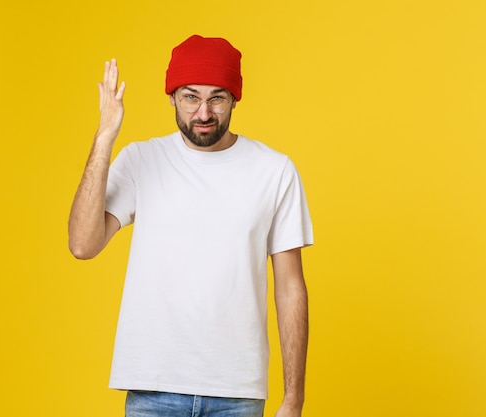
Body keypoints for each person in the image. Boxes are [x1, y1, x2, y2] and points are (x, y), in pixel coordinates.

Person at [68, 35, 314, 417]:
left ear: (235, 97)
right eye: (190, 97)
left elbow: (290, 287)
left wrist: (293, 398)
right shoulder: (141, 160)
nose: (203, 113)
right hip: (154, 389)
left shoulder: (274, 170)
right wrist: (105, 138)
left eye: (217, 97)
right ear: (171, 97)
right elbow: (83, 244)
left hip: (238, 393)